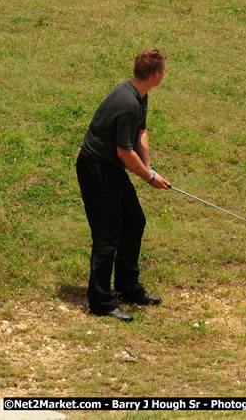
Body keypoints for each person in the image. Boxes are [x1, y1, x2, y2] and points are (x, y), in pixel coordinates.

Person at [76, 49, 171, 322]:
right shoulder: (128, 103)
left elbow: (141, 132)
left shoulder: (140, 96)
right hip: (95, 168)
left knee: (134, 221)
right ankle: (101, 302)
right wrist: (150, 179)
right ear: (156, 75)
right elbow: (124, 152)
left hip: (110, 167)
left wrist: (149, 165)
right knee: (107, 236)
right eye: (163, 71)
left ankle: (128, 287)